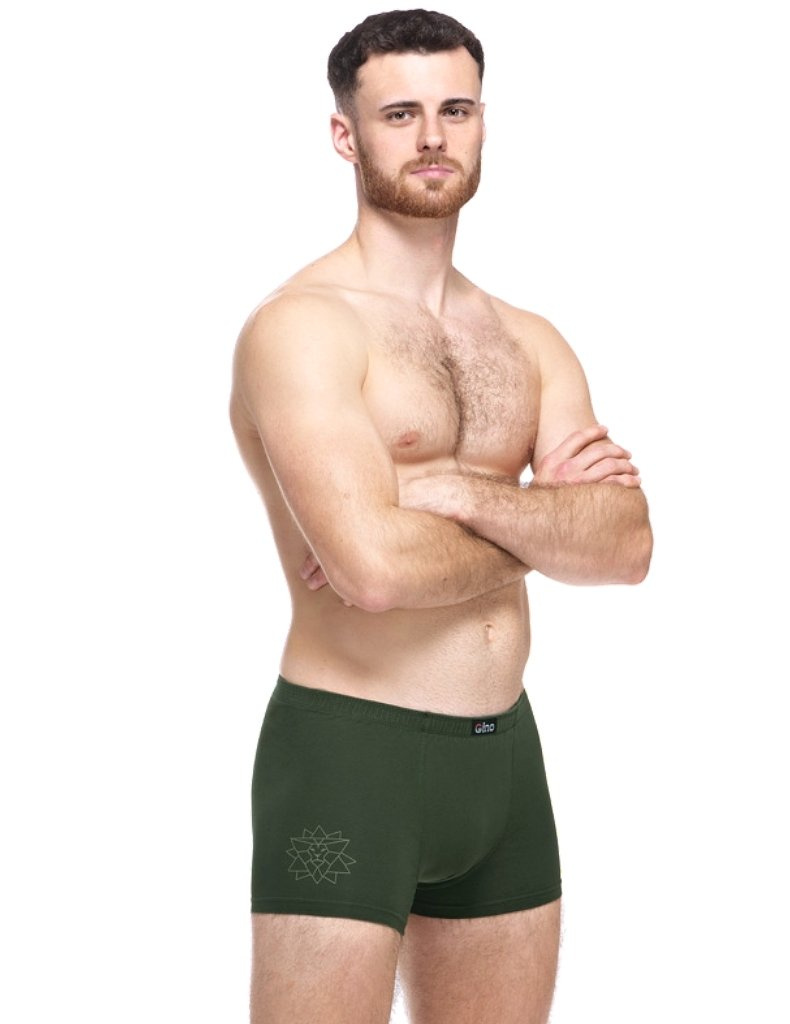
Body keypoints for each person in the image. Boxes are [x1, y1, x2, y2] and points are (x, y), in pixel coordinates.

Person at [229, 9, 652, 1023]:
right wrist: (544, 521)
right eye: (400, 114)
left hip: (504, 761)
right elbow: (373, 572)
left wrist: (457, 493)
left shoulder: (529, 338)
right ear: (346, 135)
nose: (431, 137)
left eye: (455, 110)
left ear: (482, 123)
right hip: (349, 758)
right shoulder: (302, 329)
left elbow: (627, 546)